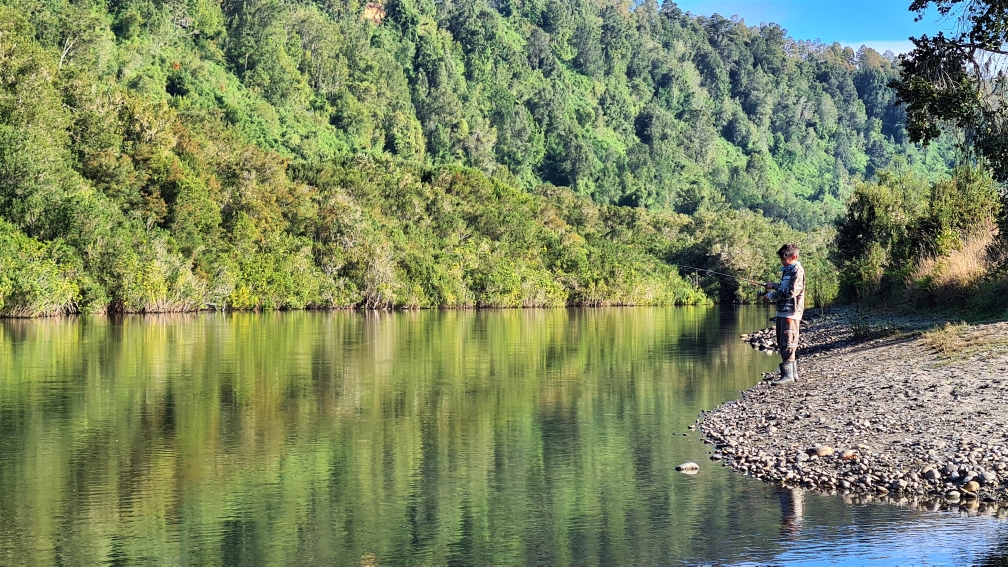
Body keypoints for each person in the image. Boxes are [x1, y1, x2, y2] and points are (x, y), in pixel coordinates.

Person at [763, 243, 805, 385]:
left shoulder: (797, 270)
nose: (782, 260)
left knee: (789, 342)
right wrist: (774, 285)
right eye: (781, 258)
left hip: (791, 312)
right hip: (782, 311)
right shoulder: (788, 270)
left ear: (794, 256)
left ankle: (788, 376)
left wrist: (771, 296)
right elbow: (784, 287)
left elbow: (792, 292)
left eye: (784, 258)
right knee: (782, 342)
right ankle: (792, 375)